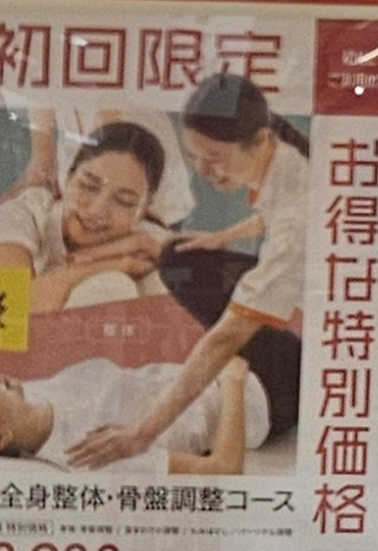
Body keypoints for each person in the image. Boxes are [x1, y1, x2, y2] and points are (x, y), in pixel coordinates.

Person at [71, 73, 309, 468]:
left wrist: (141, 435)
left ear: (259, 141)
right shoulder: (280, 152)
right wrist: (222, 237)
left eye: (214, 158)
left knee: (204, 298)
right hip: (278, 361)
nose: (203, 169)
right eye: (195, 157)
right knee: (182, 255)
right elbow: (279, 208)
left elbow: (224, 340)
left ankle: (285, 368)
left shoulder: (293, 229)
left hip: (284, 393)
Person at [0, 120, 176, 313]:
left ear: (143, 211)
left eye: (124, 201)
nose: (97, 210)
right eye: (88, 185)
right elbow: (12, 306)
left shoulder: (144, 235)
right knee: (113, 282)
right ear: (68, 178)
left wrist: (143, 247)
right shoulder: (21, 215)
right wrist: (118, 264)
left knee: (126, 283)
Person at [0, 360, 264, 475]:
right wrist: (232, 378)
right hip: (257, 394)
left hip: (212, 363)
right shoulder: (91, 455)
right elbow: (223, 469)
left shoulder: (31, 396)